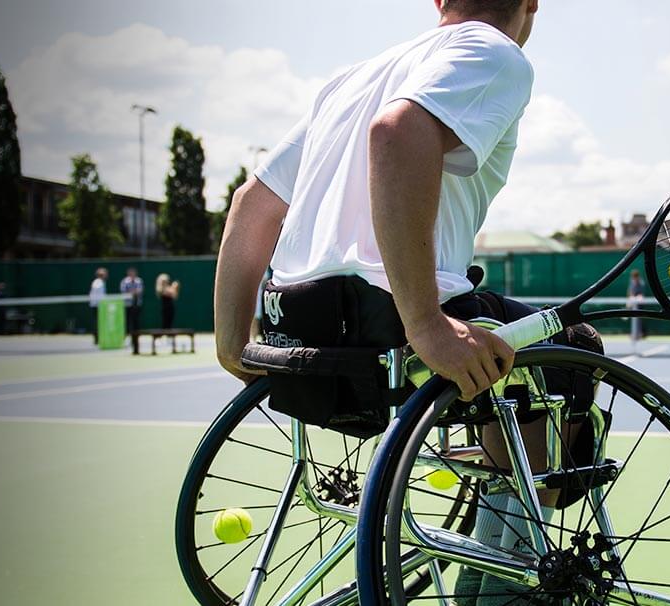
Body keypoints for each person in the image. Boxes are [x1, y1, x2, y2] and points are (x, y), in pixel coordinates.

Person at [212, 1, 549, 601]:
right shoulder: (495, 52)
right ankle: (507, 576)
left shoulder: (352, 79)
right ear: (532, 4)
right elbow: (397, 132)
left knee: (507, 347)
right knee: (572, 350)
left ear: (439, 0)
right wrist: (426, 323)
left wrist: (233, 341)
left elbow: (250, 205)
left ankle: (492, 531)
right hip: (390, 325)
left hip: (303, 326)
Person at [120, 267, 144, 334]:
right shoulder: (124, 281)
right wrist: (133, 293)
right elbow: (124, 292)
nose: (132, 274)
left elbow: (139, 291)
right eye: (131, 273)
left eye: (133, 273)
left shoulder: (139, 281)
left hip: (137, 304)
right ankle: (127, 334)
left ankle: (136, 334)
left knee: (136, 320)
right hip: (127, 304)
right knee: (127, 320)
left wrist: (131, 292)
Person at [87, 267, 107, 344]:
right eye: (104, 274)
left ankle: (99, 338)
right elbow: (98, 295)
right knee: (98, 323)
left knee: (99, 322)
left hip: (99, 305)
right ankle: (96, 339)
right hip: (97, 306)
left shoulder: (101, 282)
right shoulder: (98, 282)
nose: (105, 275)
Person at [626, 269, 645, 347]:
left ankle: (638, 334)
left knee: (638, 319)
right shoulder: (632, 281)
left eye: (635, 276)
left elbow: (640, 294)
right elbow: (630, 291)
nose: (634, 277)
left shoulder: (641, 282)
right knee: (634, 319)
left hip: (639, 304)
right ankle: (634, 334)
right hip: (633, 303)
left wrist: (636, 298)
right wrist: (630, 299)